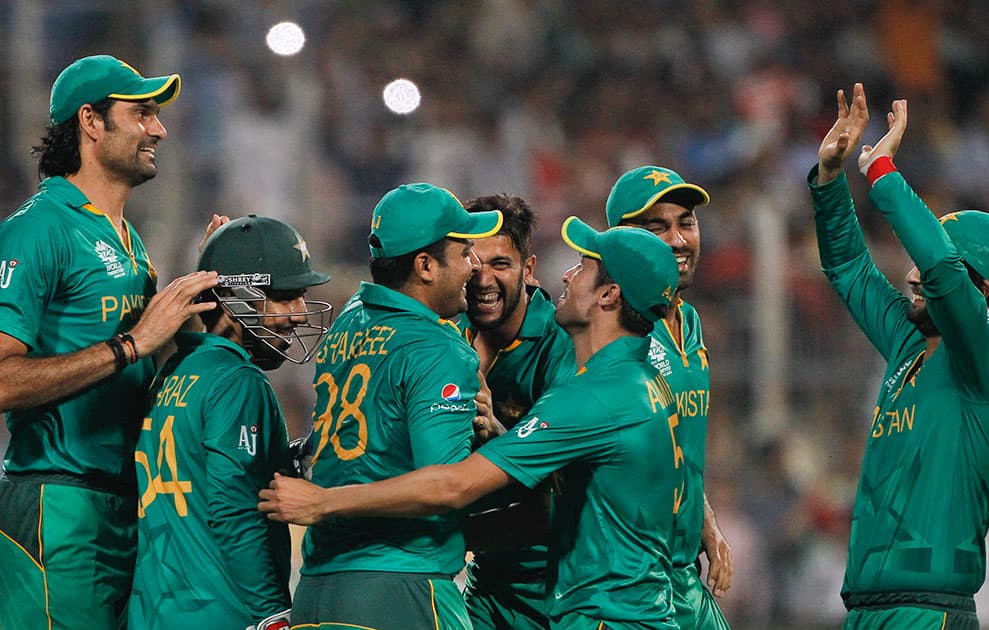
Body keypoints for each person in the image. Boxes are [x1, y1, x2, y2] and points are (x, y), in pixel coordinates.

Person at [260, 217, 688, 630]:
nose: (566, 277)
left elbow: (453, 485)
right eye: (469, 255)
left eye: (583, 268)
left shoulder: (593, 396)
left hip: (605, 615)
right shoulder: (647, 381)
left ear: (608, 295)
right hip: (627, 608)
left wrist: (324, 503)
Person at [0, 55, 220, 629]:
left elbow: (145, 364)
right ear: (91, 123)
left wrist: (206, 290)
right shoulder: (38, 227)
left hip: (123, 505)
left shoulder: (126, 238)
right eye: (141, 113)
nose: (159, 129)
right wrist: (131, 343)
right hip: (59, 503)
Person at [810, 83, 989, 629]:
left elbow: (940, 269)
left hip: (928, 614)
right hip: (866, 609)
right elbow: (848, 268)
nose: (911, 275)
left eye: (928, 264)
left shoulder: (984, 361)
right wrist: (829, 178)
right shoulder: (907, 341)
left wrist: (883, 173)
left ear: (980, 290)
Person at [288, 183, 502, 629]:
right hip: (403, 589)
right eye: (463, 252)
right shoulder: (438, 349)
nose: (474, 265)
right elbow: (444, 489)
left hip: (317, 592)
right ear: (424, 265)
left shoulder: (349, 320)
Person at [128, 215, 333, 630]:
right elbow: (233, 509)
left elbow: (199, 474)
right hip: (222, 610)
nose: (297, 313)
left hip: (156, 609)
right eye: (283, 296)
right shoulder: (238, 381)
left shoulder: (173, 371)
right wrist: (272, 613)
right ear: (237, 299)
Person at [606, 165, 733, 628]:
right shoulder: (609, 325)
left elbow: (677, 450)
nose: (679, 240)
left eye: (686, 222)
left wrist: (707, 523)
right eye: (657, 227)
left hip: (682, 574)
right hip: (627, 583)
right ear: (621, 239)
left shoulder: (692, 322)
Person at [459, 194, 577, 630]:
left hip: (550, 591)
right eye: (472, 262)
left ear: (528, 270)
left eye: (500, 264)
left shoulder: (560, 345)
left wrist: (496, 431)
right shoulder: (449, 332)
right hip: (483, 580)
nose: (482, 279)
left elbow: (564, 492)